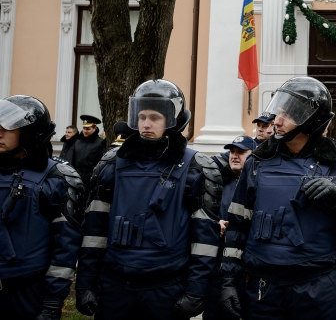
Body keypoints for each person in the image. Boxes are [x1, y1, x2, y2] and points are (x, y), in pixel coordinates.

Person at [220, 76, 336, 320]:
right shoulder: (256, 163)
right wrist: (228, 279)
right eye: (278, 112)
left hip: (318, 287)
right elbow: (237, 225)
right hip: (264, 288)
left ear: (311, 121)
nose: (277, 122)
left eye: (288, 115)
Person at [76, 79, 224, 320]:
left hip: (167, 289)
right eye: (141, 116)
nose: (146, 123)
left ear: (173, 120)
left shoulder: (197, 168)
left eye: (155, 117)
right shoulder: (111, 164)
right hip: (115, 287)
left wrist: (196, 291)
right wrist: (85, 284)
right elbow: (94, 232)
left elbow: (205, 241)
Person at [0, 95, 85, 320]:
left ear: (31, 132)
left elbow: (66, 248)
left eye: (7, 128)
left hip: (28, 291)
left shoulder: (57, 178)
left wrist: (52, 302)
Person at [204, 135, 254, 320]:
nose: (234, 156)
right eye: (232, 152)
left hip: (246, 270)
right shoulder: (216, 183)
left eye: (241, 152)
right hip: (217, 268)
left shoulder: (256, 185)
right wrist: (213, 224)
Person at [64, 114, 105, 188]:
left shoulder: (100, 143)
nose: (85, 131)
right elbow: (72, 161)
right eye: (84, 128)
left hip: (92, 179)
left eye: (88, 129)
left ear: (94, 128)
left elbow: (101, 164)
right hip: (77, 178)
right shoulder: (77, 142)